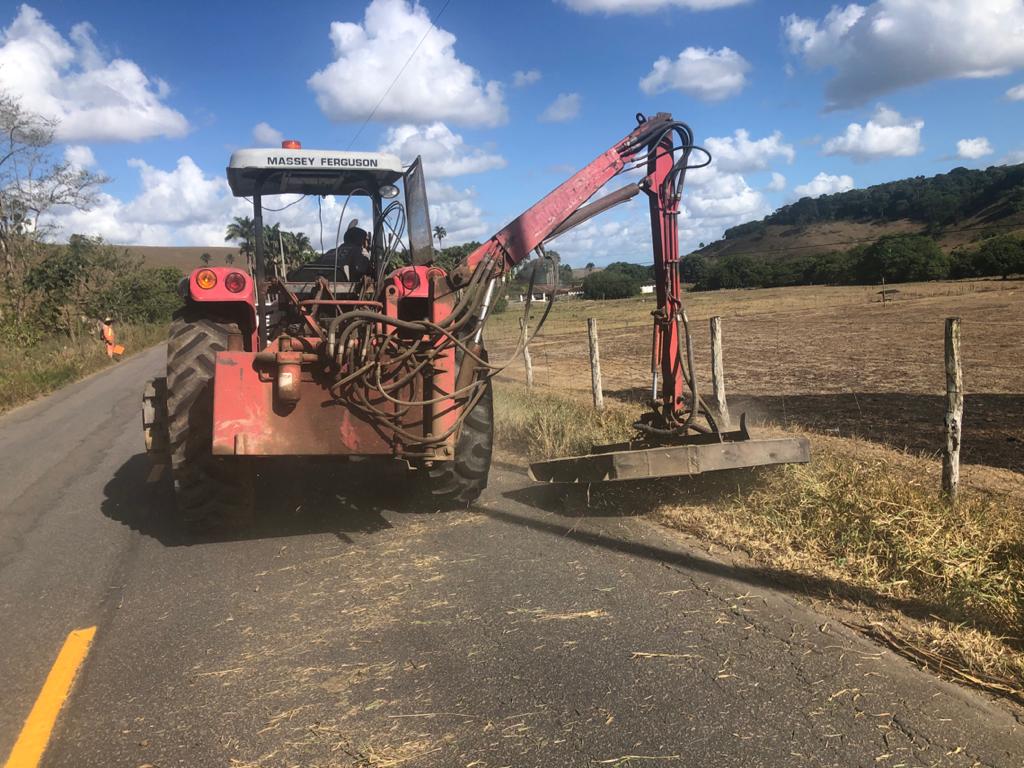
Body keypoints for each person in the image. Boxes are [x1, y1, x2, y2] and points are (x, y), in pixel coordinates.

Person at [289, 225, 371, 282]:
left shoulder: (331, 251)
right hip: (338, 293)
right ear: (361, 241)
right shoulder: (358, 251)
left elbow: (314, 264)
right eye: (366, 240)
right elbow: (360, 270)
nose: (367, 243)